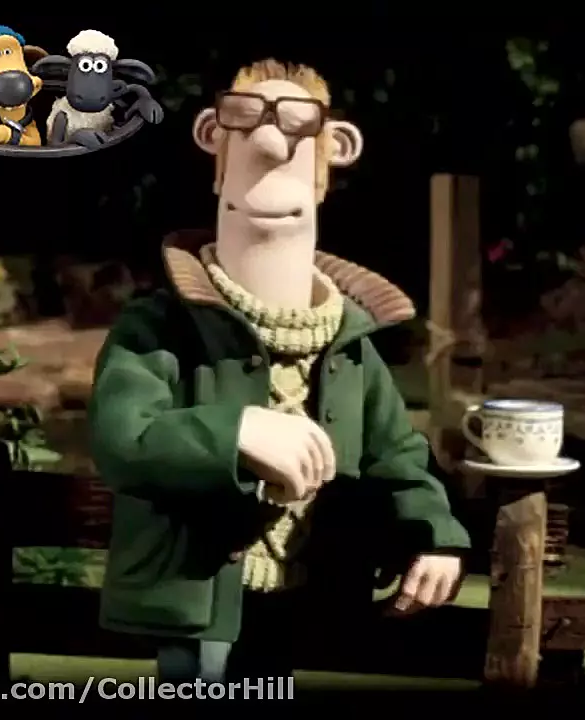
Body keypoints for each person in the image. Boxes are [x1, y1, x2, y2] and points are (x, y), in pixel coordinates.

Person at [88, 59, 470, 682]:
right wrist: (236, 432)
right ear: (213, 138)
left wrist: (435, 535)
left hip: (310, 601)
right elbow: (121, 436)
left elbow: (397, 457)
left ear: (336, 150)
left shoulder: (350, 343)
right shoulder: (160, 324)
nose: (268, 143)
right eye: (245, 120)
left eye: (295, 124)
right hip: (198, 600)